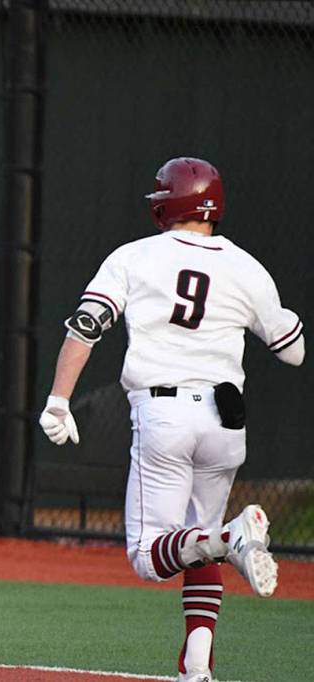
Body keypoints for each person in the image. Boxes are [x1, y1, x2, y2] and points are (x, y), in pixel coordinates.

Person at [38, 157, 304, 682]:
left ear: (166, 204)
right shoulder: (246, 266)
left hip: (164, 414)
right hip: (226, 421)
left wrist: (58, 400)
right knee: (196, 538)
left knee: (148, 556)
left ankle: (230, 540)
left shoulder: (134, 257)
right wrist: (284, 319)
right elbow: (291, 350)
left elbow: (87, 327)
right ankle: (198, 667)